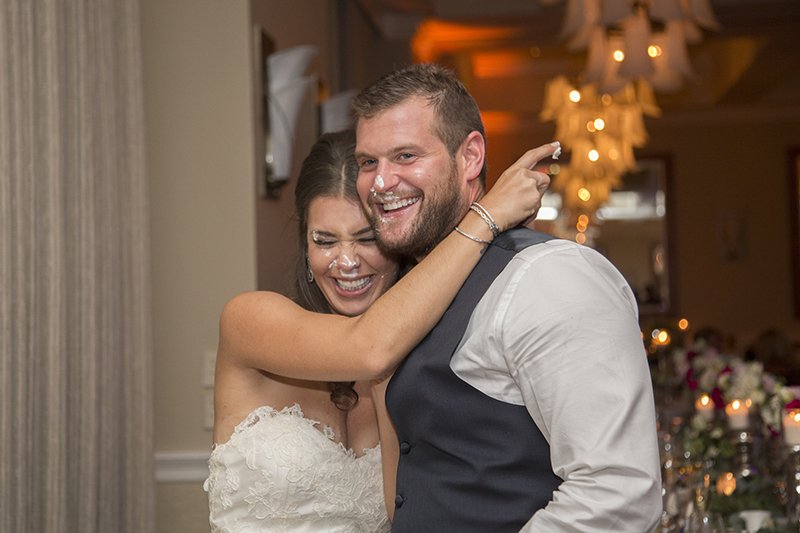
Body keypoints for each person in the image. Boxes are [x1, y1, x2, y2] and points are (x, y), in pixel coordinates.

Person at [352, 63, 662, 531]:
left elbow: (618, 490)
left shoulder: (549, 277)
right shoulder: (402, 291)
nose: (381, 182)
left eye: (406, 156)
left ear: (470, 157)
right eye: (367, 162)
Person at [203, 129, 555, 532]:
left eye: (367, 238)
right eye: (324, 240)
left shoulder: (414, 364)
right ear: (305, 245)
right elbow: (368, 347)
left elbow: (401, 512)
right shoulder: (249, 319)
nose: (346, 262)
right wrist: (487, 218)